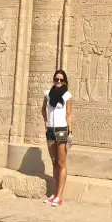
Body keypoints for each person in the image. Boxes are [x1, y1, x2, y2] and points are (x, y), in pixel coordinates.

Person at [41, 69, 72, 207]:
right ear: (53, 80)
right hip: (50, 130)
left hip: (61, 130)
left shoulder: (67, 95)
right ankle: (54, 193)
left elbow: (69, 114)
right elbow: (43, 109)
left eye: (61, 79)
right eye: (56, 79)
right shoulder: (48, 94)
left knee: (61, 163)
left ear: (64, 81)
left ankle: (59, 195)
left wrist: (70, 132)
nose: (58, 82)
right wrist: (46, 122)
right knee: (54, 162)